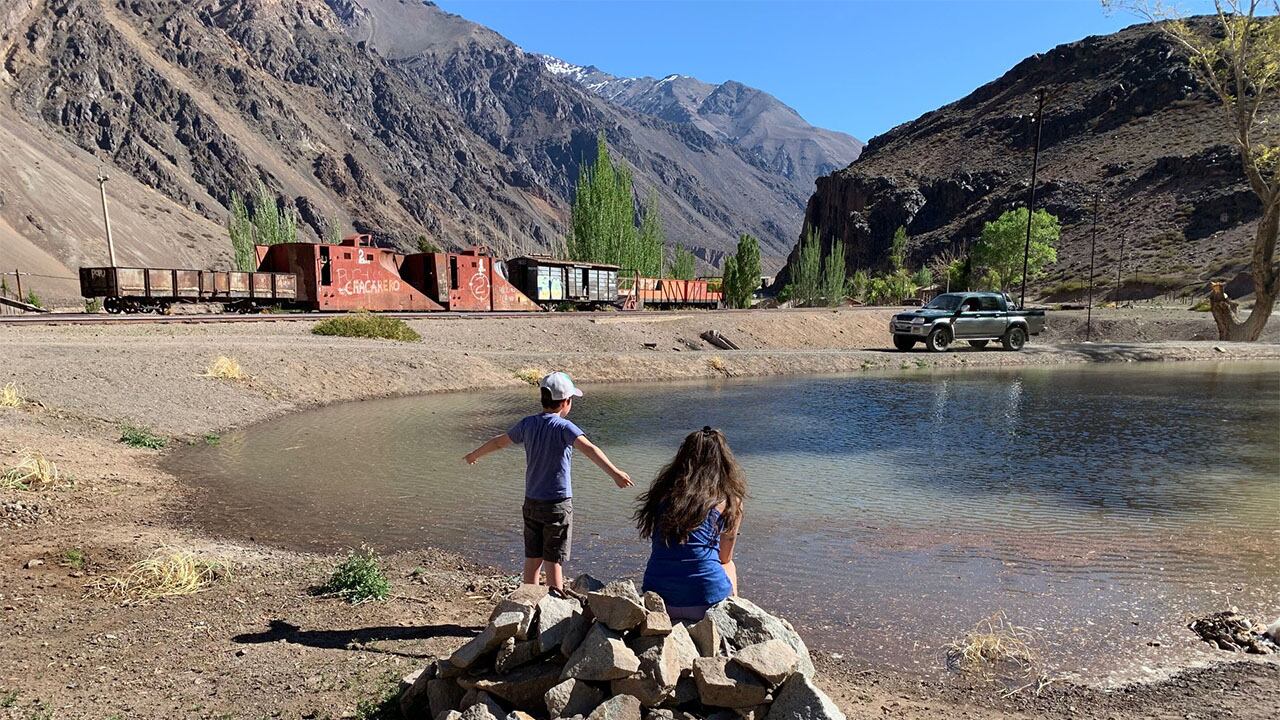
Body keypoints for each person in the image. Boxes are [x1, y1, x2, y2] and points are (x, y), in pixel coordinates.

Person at [464, 371, 632, 593]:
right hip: (557, 504)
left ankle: (527, 602)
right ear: (565, 403)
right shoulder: (565, 427)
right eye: (571, 400)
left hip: (531, 502)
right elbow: (590, 450)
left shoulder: (527, 424)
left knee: (533, 558)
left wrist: (474, 455)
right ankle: (554, 606)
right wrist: (615, 473)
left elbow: (498, 443)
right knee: (554, 560)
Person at [634, 426, 745, 620]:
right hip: (707, 604)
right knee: (729, 565)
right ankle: (731, 620)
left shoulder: (662, 495)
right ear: (724, 462)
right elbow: (725, 557)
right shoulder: (730, 501)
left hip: (660, 600)